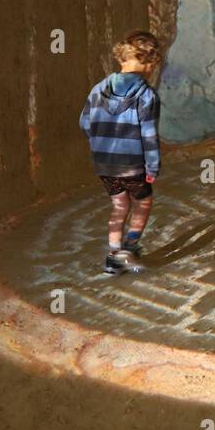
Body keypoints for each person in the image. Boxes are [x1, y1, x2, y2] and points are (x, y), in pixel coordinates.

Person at [79, 30, 163, 274]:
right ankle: (130, 247)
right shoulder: (147, 95)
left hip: (104, 164)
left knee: (119, 205)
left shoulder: (98, 89)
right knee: (143, 202)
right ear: (150, 63)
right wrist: (153, 167)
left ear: (121, 59)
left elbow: (84, 123)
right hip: (132, 164)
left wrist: (101, 145)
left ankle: (113, 255)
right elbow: (149, 136)